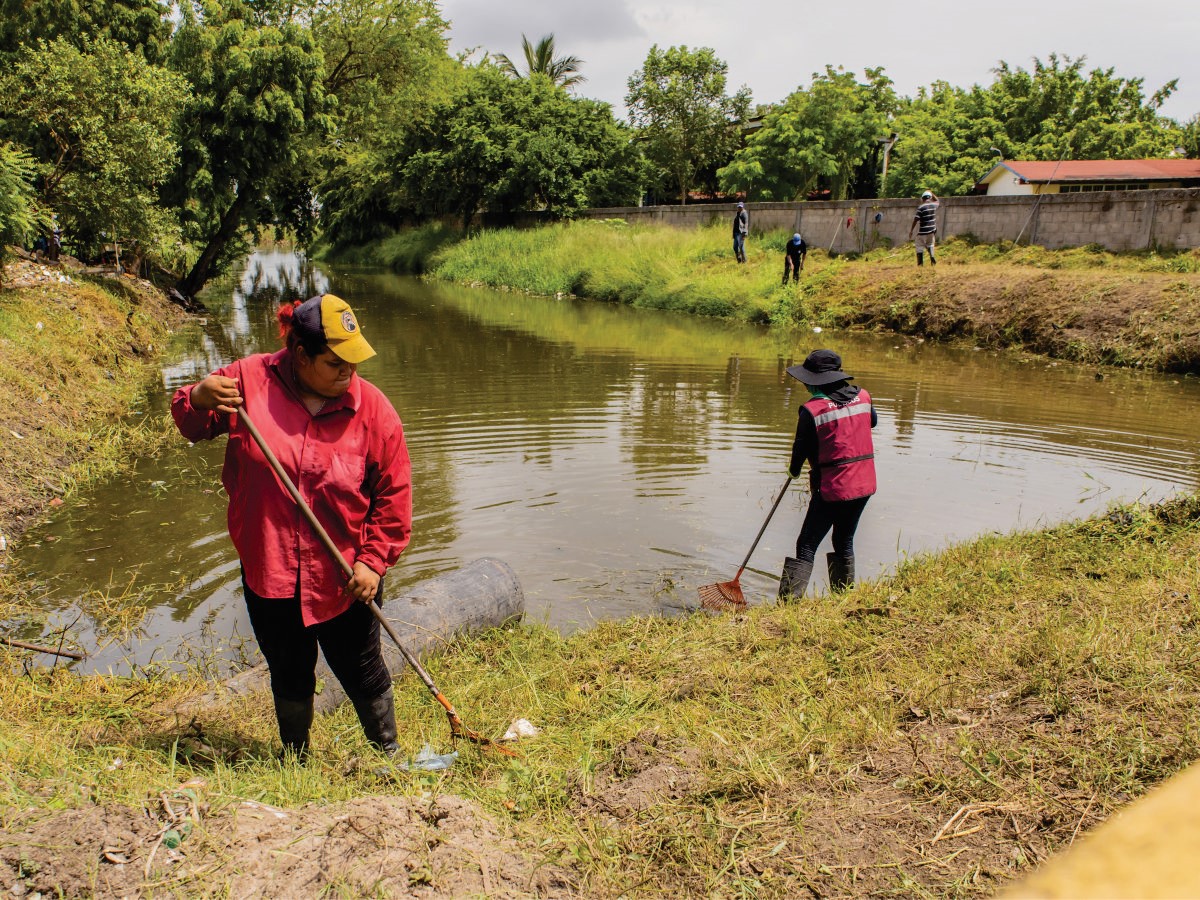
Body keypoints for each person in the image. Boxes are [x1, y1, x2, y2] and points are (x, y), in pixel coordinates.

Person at [171, 293, 412, 758]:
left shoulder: (375, 412)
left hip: (345, 577)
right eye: (334, 363)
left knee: (363, 668)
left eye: (354, 362)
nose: (348, 373)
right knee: (288, 669)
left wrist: (374, 562)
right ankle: (295, 759)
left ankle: (388, 754)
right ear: (301, 355)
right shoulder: (247, 382)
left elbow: (394, 499)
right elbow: (192, 423)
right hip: (270, 571)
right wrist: (197, 398)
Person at [777, 349, 877, 600]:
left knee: (806, 544)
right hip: (864, 484)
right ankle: (843, 599)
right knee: (843, 540)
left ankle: (788, 606)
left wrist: (794, 469)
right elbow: (871, 422)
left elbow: (801, 447)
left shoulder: (813, 410)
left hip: (833, 487)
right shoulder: (864, 397)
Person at [908, 190, 939, 266]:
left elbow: (916, 219)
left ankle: (920, 264)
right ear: (930, 198)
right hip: (932, 231)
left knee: (919, 245)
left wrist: (911, 230)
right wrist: (931, 193)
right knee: (930, 244)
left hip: (923, 232)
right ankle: (932, 257)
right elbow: (937, 200)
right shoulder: (933, 205)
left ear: (922, 199)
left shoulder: (921, 207)